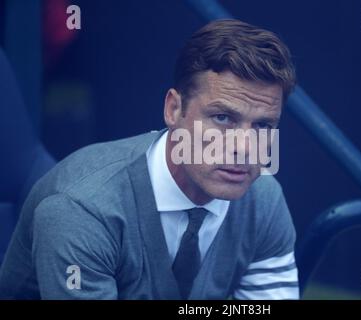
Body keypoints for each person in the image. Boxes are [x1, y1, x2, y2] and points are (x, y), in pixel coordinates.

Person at [0, 19, 299, 299]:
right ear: (173, 110)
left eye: (263, 125)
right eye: (222, 118)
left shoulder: (263, 198)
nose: (246, 148)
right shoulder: (81, 208)